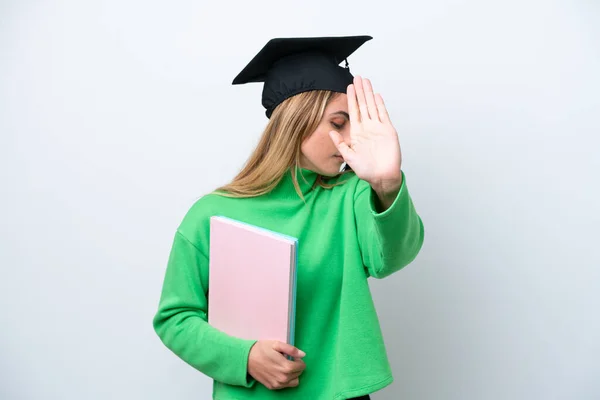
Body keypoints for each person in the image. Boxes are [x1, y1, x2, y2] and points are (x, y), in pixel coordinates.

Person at [153, 35, 425, 400]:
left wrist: (388, 184)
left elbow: (390, 258)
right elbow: (176, 317)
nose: (351, 139)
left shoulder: (353, 196)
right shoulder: (212, 214)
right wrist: (245, 356)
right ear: (296, 122)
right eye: (339, 122)